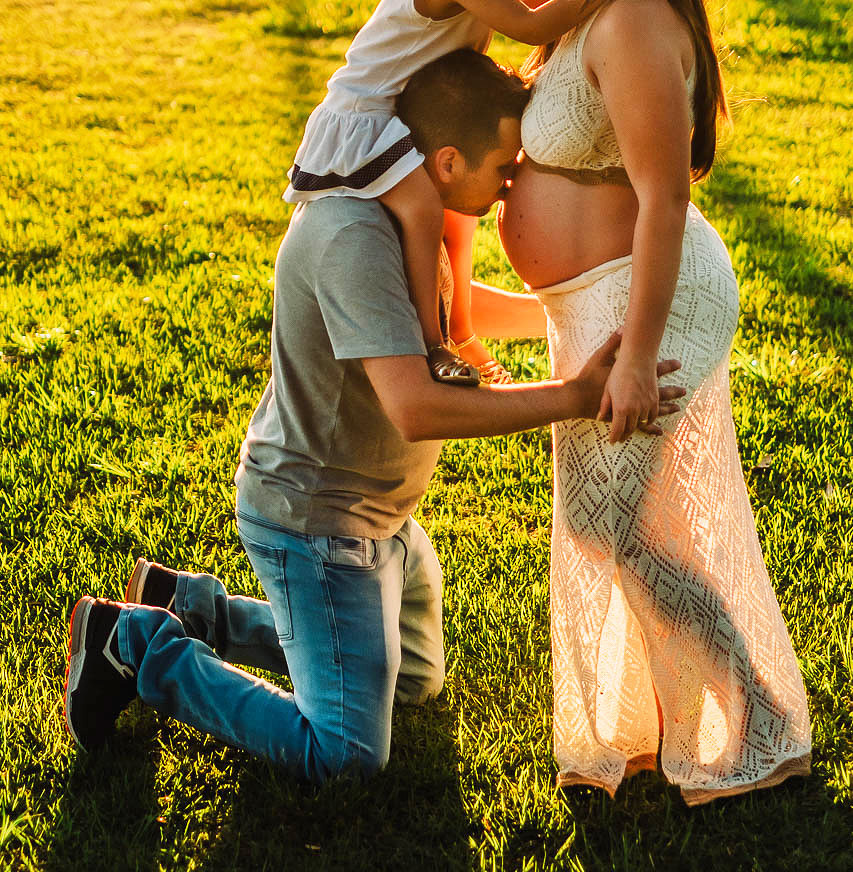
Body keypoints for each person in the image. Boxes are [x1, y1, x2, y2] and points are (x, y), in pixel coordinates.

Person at [63, 48, 686, 783]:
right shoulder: (354, 236)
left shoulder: (406, 213)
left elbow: (460, 309)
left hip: (381, 516)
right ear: (449, 161)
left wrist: (595, 307)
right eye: (506, 168)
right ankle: (135, 645)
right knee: (348, 753)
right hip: (317, 521)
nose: (512, 183)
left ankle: (197, 610)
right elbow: (415, 407)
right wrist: (575, 398)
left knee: (413, 680)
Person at [498, 0, 812, 805]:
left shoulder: (633, 21)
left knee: (613, 524)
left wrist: (633, 355)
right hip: (596, 299)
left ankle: (755, 714)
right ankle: (673, 720)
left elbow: (664, 196)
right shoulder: (580, 7)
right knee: (623, 523)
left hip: (649, 298)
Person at [284, 0, 618, 387]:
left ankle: (455, 326)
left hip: (402, 112)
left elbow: (523, 11)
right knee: (420, 209)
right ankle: (433, 343)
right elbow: (530, 27)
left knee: (445, 215)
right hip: (364, 114)